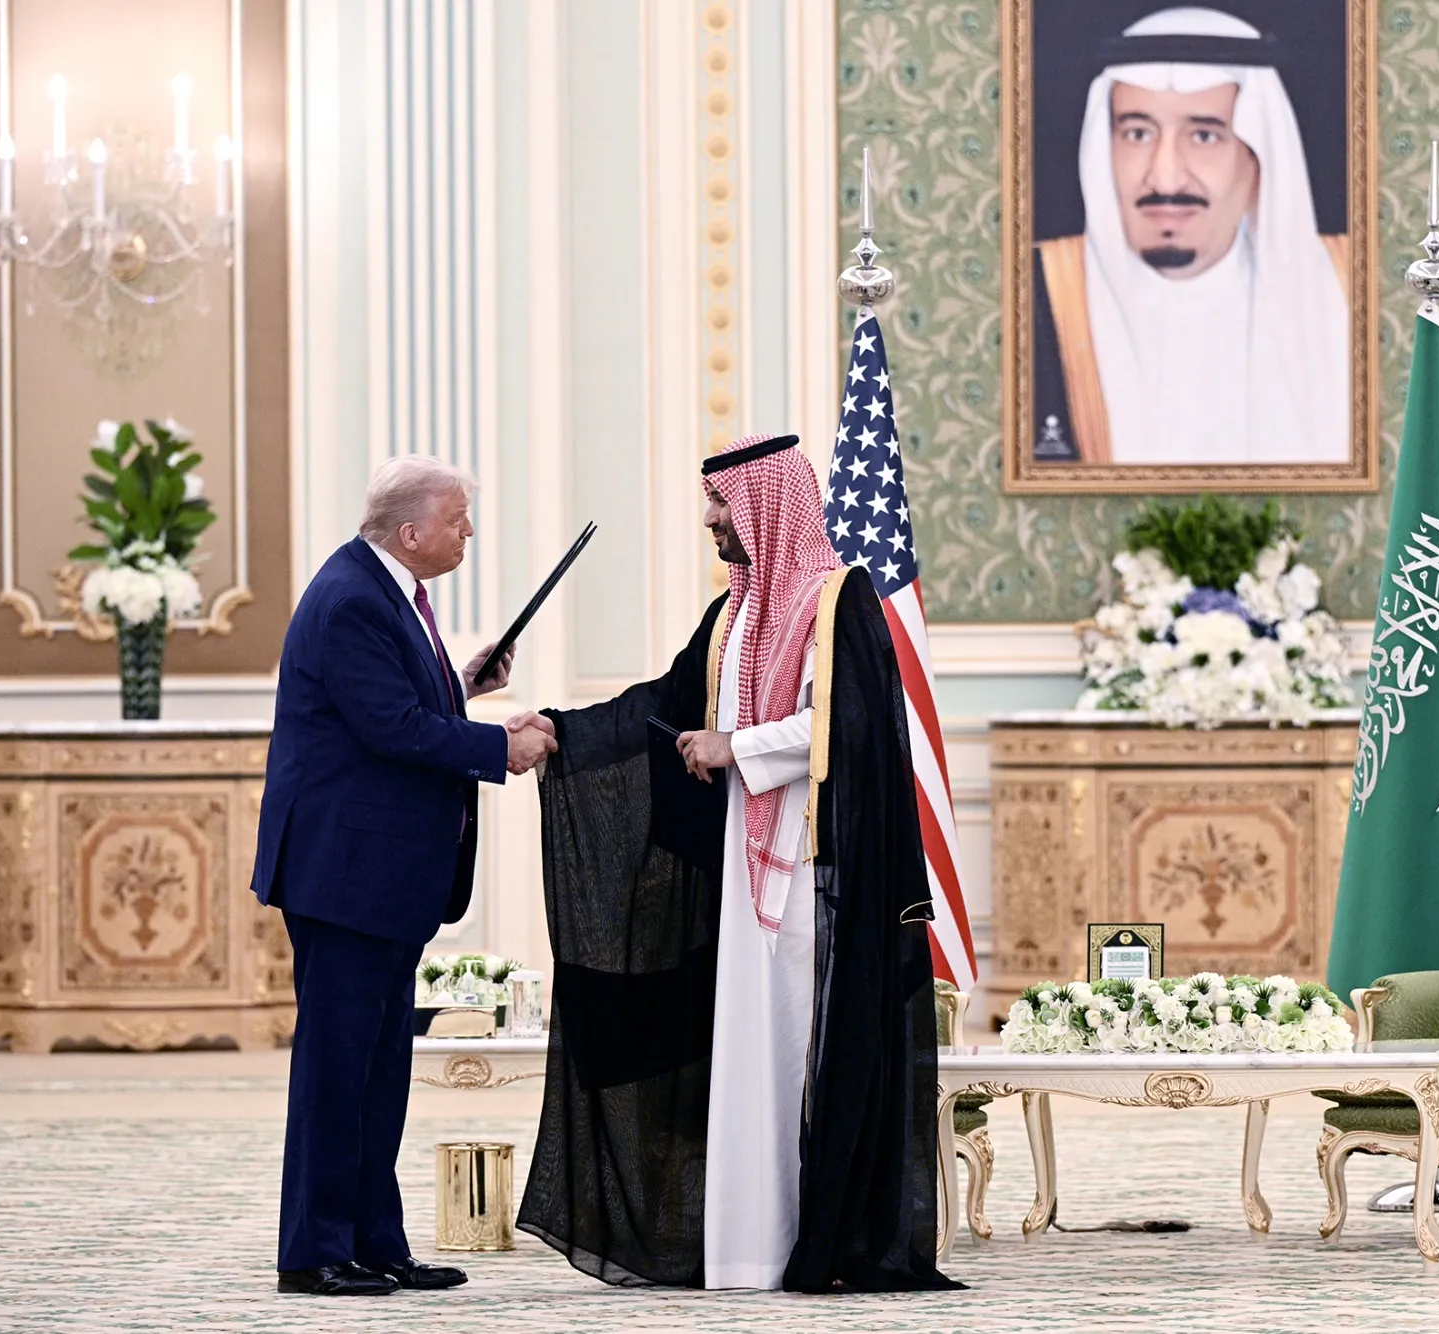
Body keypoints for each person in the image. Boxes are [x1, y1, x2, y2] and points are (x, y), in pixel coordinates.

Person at [513, 433, 958, 1294]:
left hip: (811, 879)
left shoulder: (839, 601)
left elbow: (852, 725)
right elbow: (664, 706)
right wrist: (562, 731)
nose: (712, 521)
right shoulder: (734, 614)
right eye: (711, 505)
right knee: (742, 1062)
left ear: (764, 504)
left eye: (722, 504)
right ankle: (741, 1252)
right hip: (739, 876)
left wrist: (736, 744)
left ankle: (807, 1242)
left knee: (795, 1059)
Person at [251, 455, 558, 1297]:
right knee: (337, 1065)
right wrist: (503, 744)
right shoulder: (353, 597)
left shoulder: (383, 591)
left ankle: (374, 1242)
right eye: (458, 520)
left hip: (374, 874)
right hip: (343, 872)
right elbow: (389, 727)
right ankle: (314, 1253)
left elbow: (392, 705)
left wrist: (464, 685)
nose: (468, 533)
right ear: (412, 531)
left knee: (379, 1064)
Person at [1032, 5, 1350, 466]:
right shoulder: (1030, 299)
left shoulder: (1354, 293)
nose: (1165, 177)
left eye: (1204, 136)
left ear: (1258, 154)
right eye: (1138, 133)